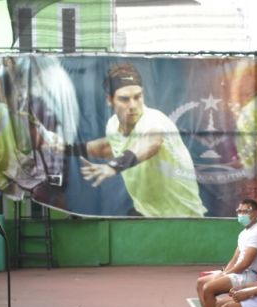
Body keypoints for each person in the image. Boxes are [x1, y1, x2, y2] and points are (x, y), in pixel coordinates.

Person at [80, 62, 206, 218]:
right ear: (110, 100)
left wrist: (114, 166)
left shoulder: (154, 120)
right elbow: (108, 146)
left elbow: (150, 143)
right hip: (146, 213)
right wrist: (67, 148)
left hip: (182, 218)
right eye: (124, 99)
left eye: (137, 97)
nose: (133, 105)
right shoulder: (113, 124)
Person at [178, 199, 257, 307]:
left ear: (256, 213)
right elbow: (236, 257)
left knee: (208, 288)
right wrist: (224, 271)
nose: (242, 214)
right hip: (238, 273)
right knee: (201, 282)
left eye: (246, 211)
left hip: (248, 276)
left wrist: (226, 274)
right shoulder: (245, 233)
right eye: (239, 211)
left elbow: (245, 263)